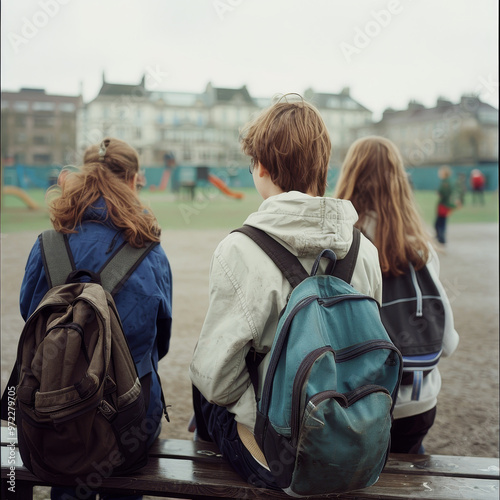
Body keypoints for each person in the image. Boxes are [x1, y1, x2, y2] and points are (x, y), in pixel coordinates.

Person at [189, 96, 383, 489]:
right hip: (352, 436)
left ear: (260, 166)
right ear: (323, 167)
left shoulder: (239, 249)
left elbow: (219, 379)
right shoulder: (364, 250)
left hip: (280, 456)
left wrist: (258, 416)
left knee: (202, 384)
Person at [20, 138, 173, 500]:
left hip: (57, 418)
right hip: (129, 423)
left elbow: (31, 318)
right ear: (134, 180)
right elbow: (160, 342)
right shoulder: (150, 250)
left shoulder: (48, 244)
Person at [334, 136, 459, 454]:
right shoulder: (420, 248)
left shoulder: (339, 248)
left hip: (358, 406)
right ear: (398, 184)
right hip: (417, 407)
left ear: (349, 178)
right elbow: (447, 343)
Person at [434, 165, 458, 245]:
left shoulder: (446, 182)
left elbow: (444, 193)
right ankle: (439, 236)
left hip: (444, 205)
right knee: (440, 222)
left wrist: (439, 193)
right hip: (444, 204)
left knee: (440, 222)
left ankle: (442, 238)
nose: (440, 173)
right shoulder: (447, 181)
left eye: (441, 172)